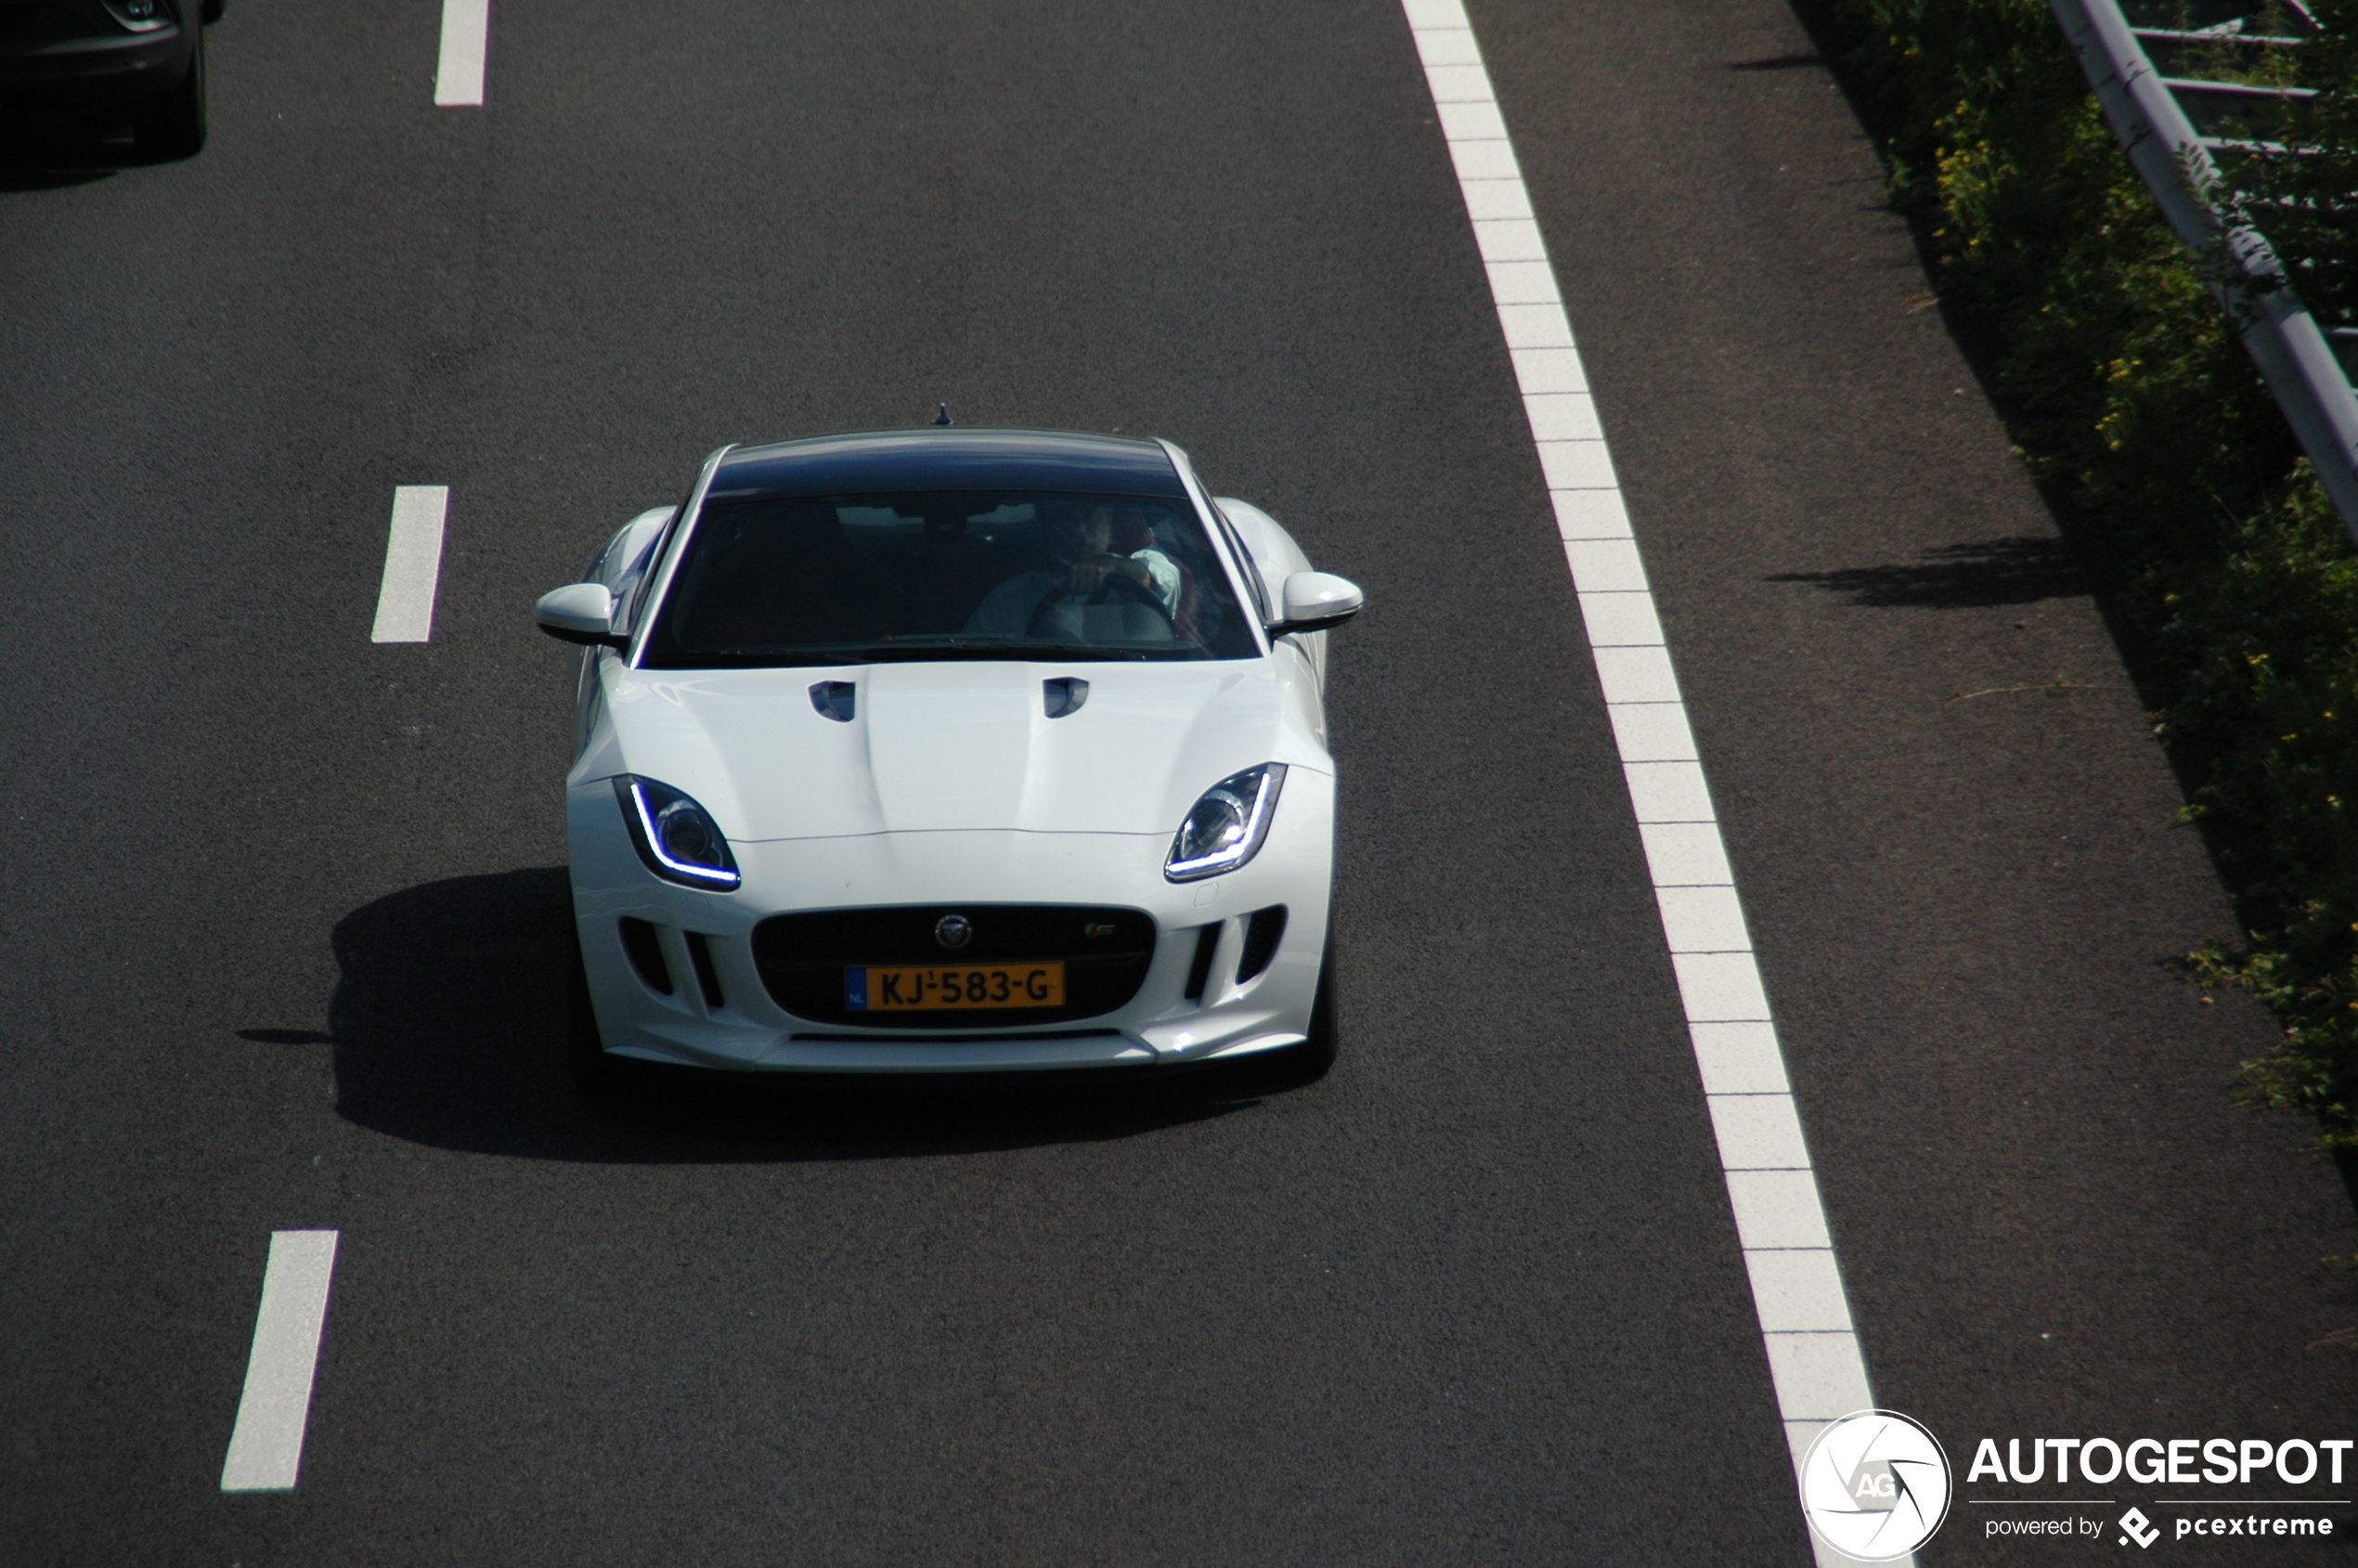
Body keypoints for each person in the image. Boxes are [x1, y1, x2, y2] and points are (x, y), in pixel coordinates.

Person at [963, 500, 1182, 640]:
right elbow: (969, 661)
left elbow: (1160, 580)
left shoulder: (1144, 565)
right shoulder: (1008, 600)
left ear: (1109, 522)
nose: (1081, 531)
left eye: (1090, 518)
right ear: (1048, 526)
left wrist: (1112, 566)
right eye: (1068, 519)